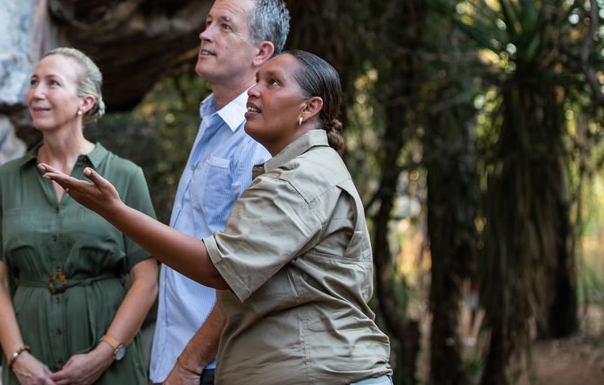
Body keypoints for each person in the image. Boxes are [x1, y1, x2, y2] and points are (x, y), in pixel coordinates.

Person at [42, 50, 394, 385]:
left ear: (310, 107)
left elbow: (216, 268)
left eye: (273, 83)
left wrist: (114, 211)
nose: (254, 90)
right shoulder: (293, 171)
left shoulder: (301, 178)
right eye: (257, 80)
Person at [0, 47, 158, 385]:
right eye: (33, 82)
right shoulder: (6, 179)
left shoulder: (125, 175)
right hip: (29, 368)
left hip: (110, 369)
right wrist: (18, 358)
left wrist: (104, 354)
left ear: (84, 102)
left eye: (52, 83)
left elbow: (146, 280)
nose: (36, 93)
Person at [151, 0, 290, 385]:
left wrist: (191, 363)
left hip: (215, 368)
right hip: (175, 356)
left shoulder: (257, 142)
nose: (205, 33)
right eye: (208, 22)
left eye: (224, 26)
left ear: (261, 53)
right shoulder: (214, 118)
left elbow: (250, 273)